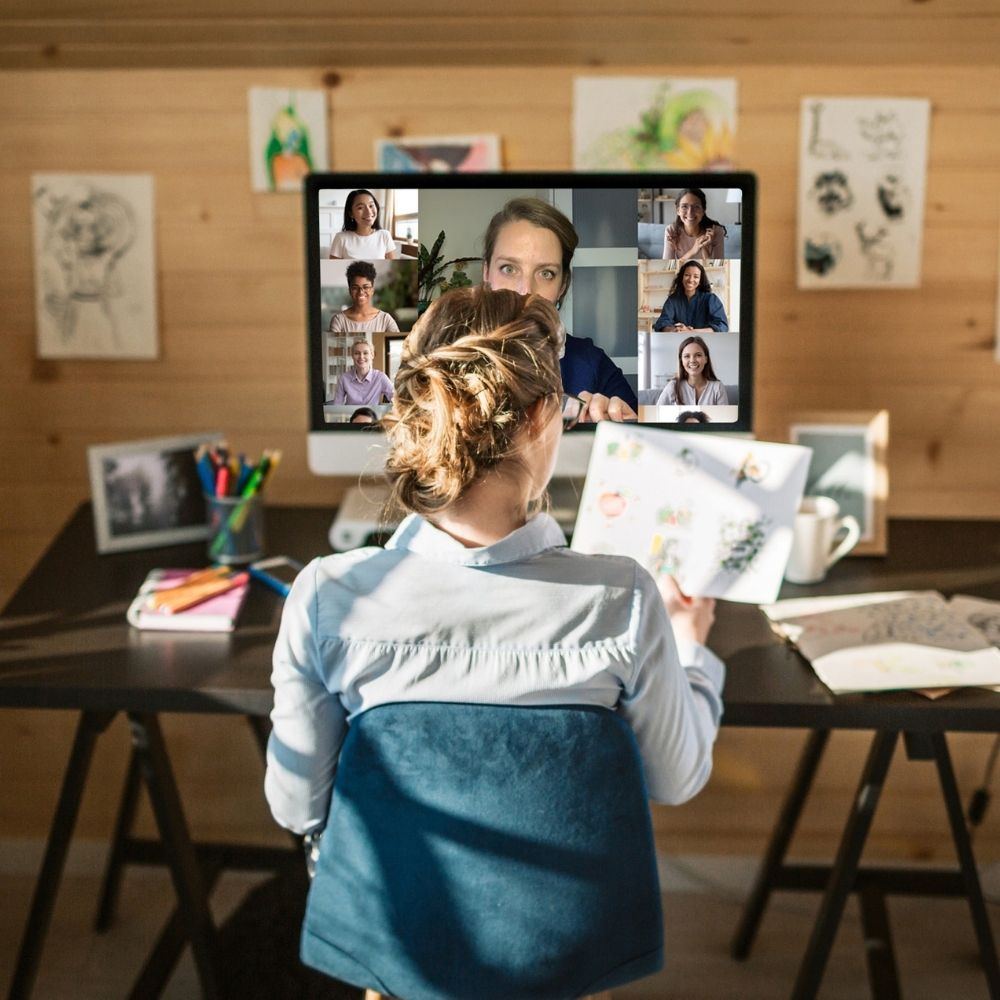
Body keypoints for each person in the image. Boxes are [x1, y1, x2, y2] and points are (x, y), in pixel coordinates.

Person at [265, 285, 724, 851]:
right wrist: (692, 651)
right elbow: (677, 780)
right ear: (539, 419)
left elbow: (296, 808)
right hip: (574, 935)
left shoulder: (324, 598)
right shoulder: (623, 600)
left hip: (387, 935)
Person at [480, 197, 638, 421]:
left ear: (562, 286)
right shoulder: (442, 361)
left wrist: (622, 432)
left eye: (546, 273)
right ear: (486, 274)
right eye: (508, 268)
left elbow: (647, 442)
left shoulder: (592, 363)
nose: (526, 291)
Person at [652, 260, 729, 333]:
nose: (691, 279)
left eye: (696, 277)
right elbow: (662, 322)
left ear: (700, 281)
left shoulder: (711, 299)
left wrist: (691, 332)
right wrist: (675, 330)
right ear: (682, 278)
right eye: (687, 275)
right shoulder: (672, 300)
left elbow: (722, 325)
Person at [329, 261, 400, 339]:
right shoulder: (339, 321)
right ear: (350, 290)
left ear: (372, 290)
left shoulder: (385, 319)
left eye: (366, 287)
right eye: (355, 288)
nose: (361, 292)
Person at [656, 335, 729, 406]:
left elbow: (725, 417)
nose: (692, 360)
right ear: (681, 361)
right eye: (687, 356)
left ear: (706, 359)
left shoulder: (718, 387)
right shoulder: (673, 386)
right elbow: (657, 413)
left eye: (698, 355)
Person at [328, 189, 397, 260]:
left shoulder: (384, 235)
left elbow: (394, 269)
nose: (368, 212)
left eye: (371, 206)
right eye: (360, 208)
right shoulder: (341, 238)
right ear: (351, 214)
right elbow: (332, 269)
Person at [663, 187, 727, 263]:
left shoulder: (716, 231)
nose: (690, 213)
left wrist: (704, 247)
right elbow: (667, 265)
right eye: (684, 206)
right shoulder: (671, 230)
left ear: (703, 211)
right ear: (678, 211)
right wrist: (693, 250)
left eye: (696, 207)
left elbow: (716, 267)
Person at [331, 339, 394, 406]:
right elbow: (337, 405)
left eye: (365, 353)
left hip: (371, 416)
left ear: (372, 355)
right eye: (357, 353)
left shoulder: (380, 377)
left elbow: (397, 399)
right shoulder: (343, 378)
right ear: (352, 356)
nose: (361, 357)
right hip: (350, 415)